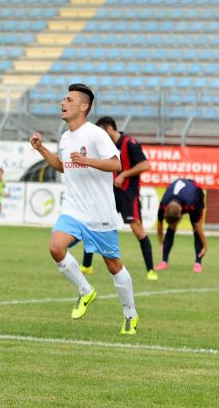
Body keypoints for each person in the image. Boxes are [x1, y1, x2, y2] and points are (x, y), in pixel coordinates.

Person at [29, 83, 139, 335]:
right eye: (63, 99)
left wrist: (87, 160)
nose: (62, 103)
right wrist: (41, 149)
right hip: (73, 210)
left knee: (113, 265)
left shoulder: (95, 134)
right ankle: (85, 290)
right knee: (56, 247)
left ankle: (130, 313)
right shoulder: (66, 137)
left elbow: (117, 165)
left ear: (83, 106)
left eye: (68, 99)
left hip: (100, 214)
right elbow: (63, 166)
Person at [81, 116, 157, 281]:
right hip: (110, 192)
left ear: (109, 129)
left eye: (102, 132)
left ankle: (150, 270)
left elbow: (145, 165)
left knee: (137, 230)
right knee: (94, 223)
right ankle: (86, 266)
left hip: (128, 193)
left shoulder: (130, 143)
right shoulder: (106, 146)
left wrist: (124, 175)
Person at [155, 179, 208, 273]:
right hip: (178, 198)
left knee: (196, 228)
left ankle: (198, 263)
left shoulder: (191, 203)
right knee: (171, 228)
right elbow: (159, 224)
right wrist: (160, 243)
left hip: (197, 192)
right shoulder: (163, 204)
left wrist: (205, 245)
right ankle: (164, 262)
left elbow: (198, 227)